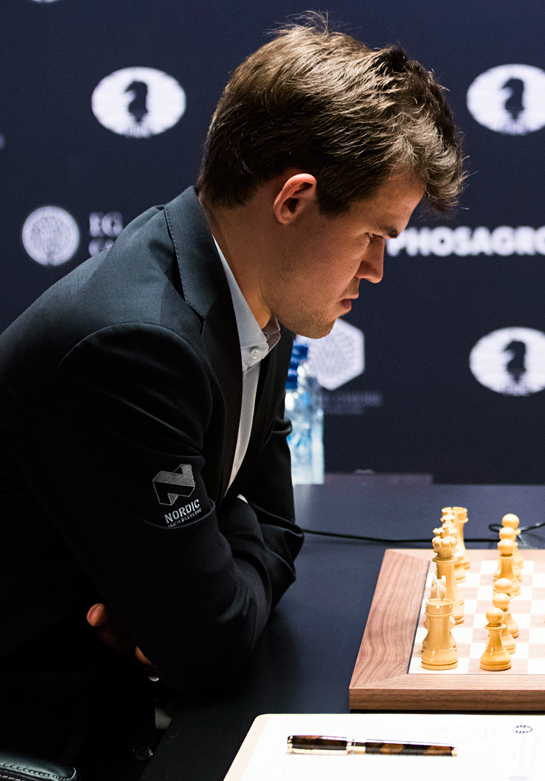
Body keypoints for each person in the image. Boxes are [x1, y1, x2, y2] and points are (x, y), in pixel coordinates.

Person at [0, 19, 463, 779]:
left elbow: (275, 524)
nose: (377, 269)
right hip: (58, 744)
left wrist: (220, 553)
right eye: (373, 235)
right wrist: (210, 578)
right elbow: (208, 643)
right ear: (294, 201)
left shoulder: (251, 295)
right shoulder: (136, 343)